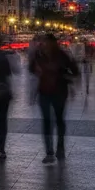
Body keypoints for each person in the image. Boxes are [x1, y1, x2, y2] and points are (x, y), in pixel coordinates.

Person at [29, 33, 79, 163]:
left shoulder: (62, 55)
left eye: (47, 42)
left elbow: (75, 71)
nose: (45, 45)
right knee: (46, 121)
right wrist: (36, 70)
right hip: (44, 91)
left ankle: (60, 147)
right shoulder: (38, 55)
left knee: (59, 119)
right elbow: (31, 69)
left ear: (53, 43)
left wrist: (63, 76)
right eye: (44, 42)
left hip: (60, 91)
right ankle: (49, 151)